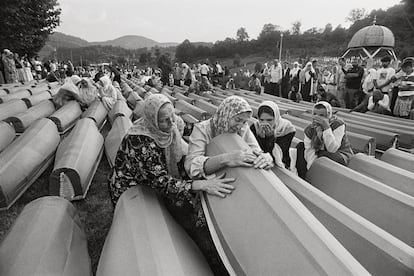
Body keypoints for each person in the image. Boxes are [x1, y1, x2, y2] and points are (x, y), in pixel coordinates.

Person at [109, 94, 233, 275]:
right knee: (174, 215)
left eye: (172, 117)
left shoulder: (170, 128)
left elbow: (182, 154)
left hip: (157, 179)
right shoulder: (141, 140)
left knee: (189, 204)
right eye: (164, 120)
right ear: (152, 119)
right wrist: (197, 185)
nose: (171, 123)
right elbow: (159, 181)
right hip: (133, 186)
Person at [185, 96, 274, 180]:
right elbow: (191, 167)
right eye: (237, 120)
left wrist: (265, 158)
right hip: (213, 181)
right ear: (226, 115)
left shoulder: (243, 128)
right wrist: (227, 159)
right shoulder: (203, 129)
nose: (240, 126)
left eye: (244, 122)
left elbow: (256, 151)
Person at [296, 101, 353, 179]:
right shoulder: (310, 129)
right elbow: (309, 151)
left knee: (325, 155)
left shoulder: (338, 124)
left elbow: (332, 149)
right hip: (321, 154)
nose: (317, 117)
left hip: (339, 155)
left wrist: (326, 128)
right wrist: (312, 169)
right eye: (315, 114)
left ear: (328, 115)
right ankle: (305, 177)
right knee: (300, 147)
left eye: (322, 115)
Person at [250, 101, 296, 168]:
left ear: (276, 117)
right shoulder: (255, 126)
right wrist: (260, 137)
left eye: (269, 120)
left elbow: (279, 153)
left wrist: (270, 137)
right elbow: (255, 149)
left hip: (280, 160)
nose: (265, 123)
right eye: (262, 120)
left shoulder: (287, 128)